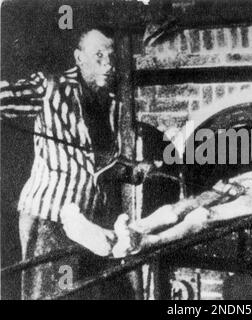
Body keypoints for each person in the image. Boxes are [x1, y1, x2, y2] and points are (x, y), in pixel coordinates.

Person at [0, 28, 151, 299]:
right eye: (99, 56)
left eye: (111, 56)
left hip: (92, 222)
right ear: (79, 58)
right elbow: (4, 96)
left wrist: (134, 170)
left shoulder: (113, 105)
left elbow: (102, 165)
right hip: (50, 219)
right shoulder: (49, 87)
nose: (108, 64)